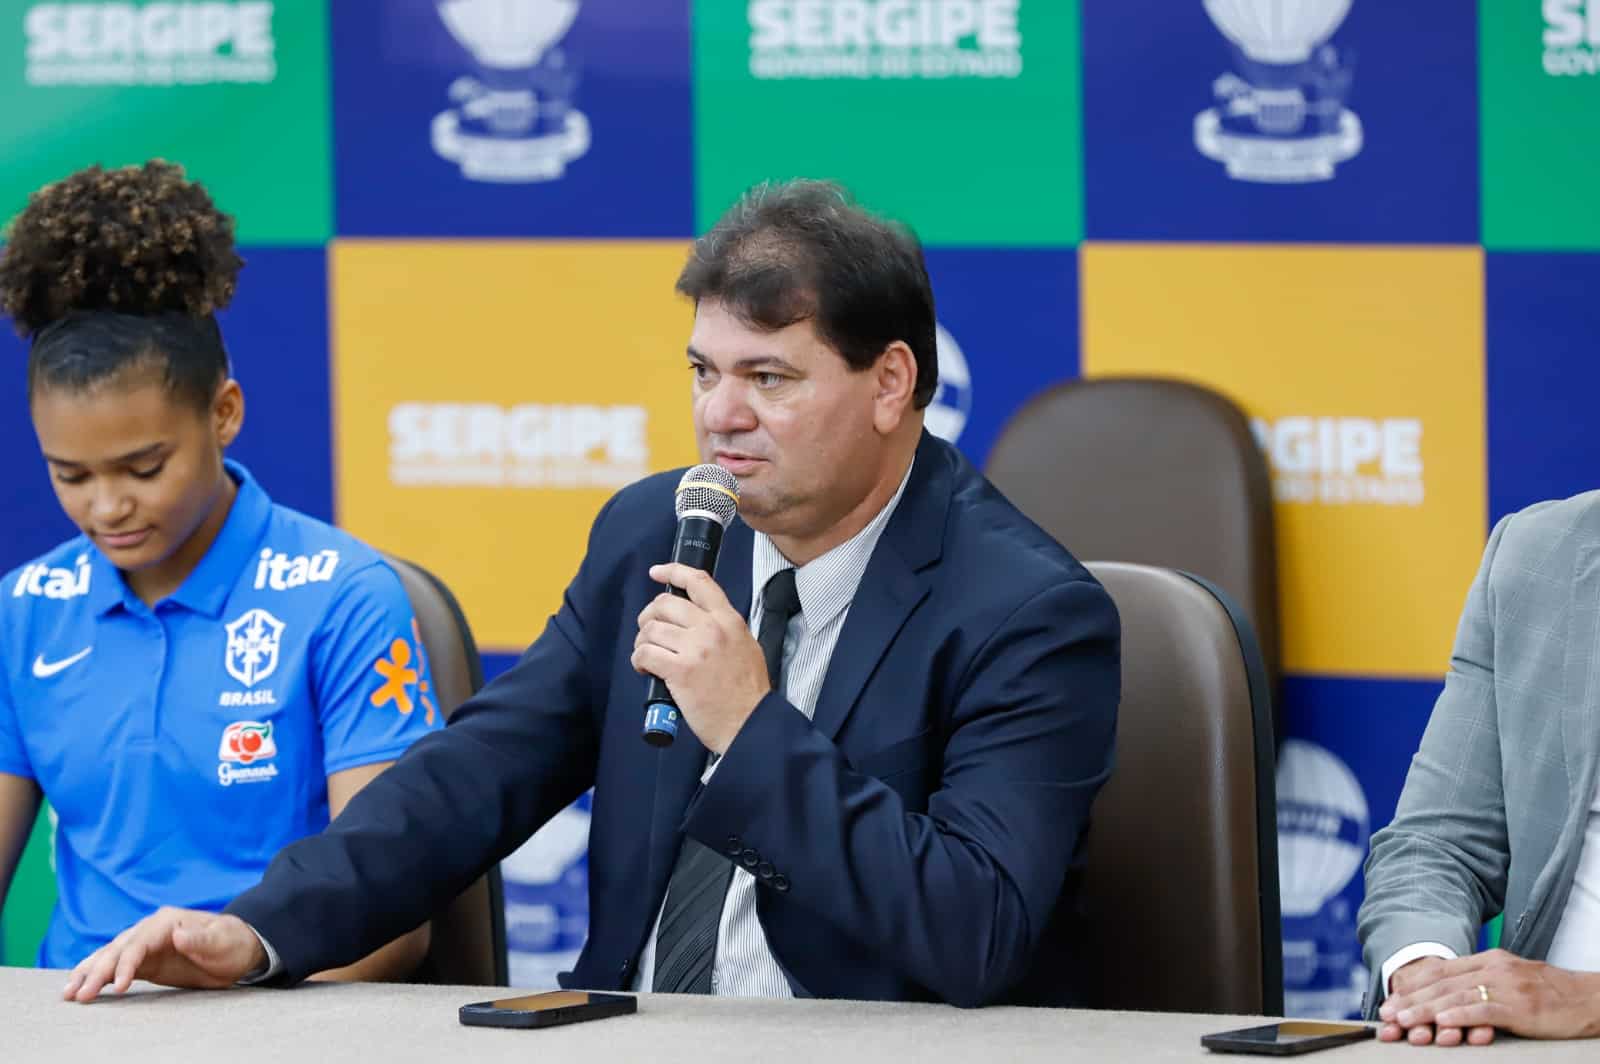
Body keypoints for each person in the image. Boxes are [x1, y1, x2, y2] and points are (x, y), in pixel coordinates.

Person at [63, 179, 1120, 1007]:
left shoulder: (1025, 612)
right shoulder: (659, 533)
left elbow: (977, 932)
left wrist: (748, 727)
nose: (720, 416)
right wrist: (259, 929)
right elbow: (478, 773)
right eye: (704, 372)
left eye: (768, 378)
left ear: (890, 383)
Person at [0, 160, 440, 980]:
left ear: (224, 413)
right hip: (73, 1012)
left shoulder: (344, 598)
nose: (107, 508)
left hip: (279, 1013)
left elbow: (392, 924)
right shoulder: (24, 611)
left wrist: (224, 966)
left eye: (144, 468)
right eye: (71, 475)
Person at [1359, 492, 1600, 1044]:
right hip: (1519, 1046)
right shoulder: (1539, 554)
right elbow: (1437, 845)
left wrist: (1587, 999)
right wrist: (1430, 980)